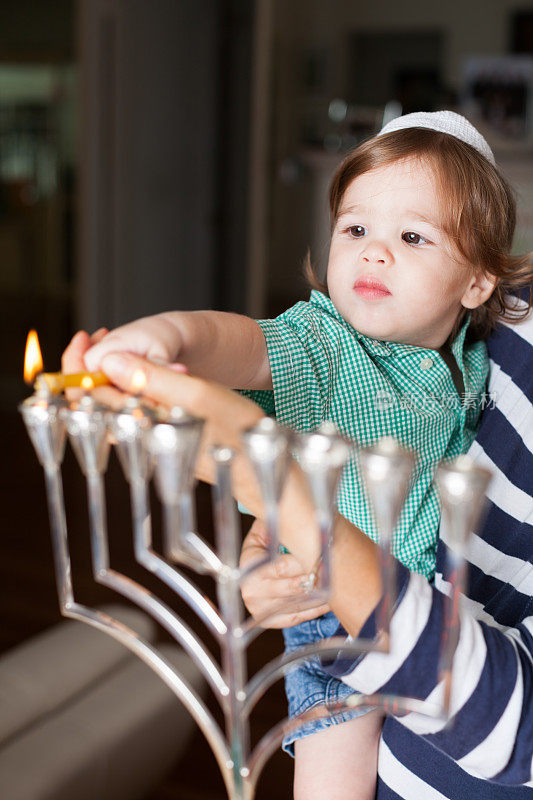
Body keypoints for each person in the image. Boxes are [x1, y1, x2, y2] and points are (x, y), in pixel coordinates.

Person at [75, 111, 533, 800]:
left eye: (411, 237)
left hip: (434, 615)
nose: (373, 253)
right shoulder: (325, 343)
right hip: (336, 620)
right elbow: (241, 344)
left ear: (475, 286)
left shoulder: (472, 358)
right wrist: (167, 338)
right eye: (355, 230)